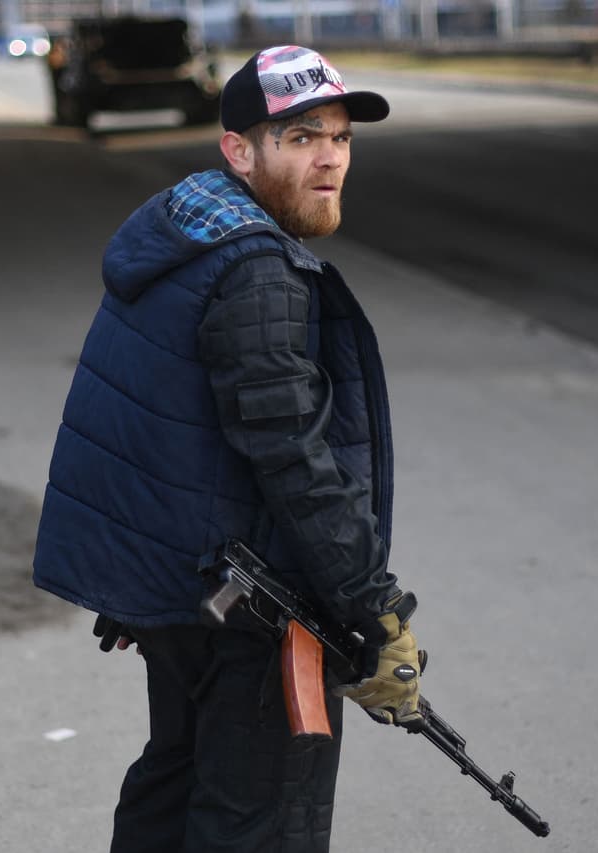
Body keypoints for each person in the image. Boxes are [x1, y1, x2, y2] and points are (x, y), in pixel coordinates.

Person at [32, 45, 425, 853]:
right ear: (240, 151)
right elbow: (294, 457)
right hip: (245, 607)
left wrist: (139, 587)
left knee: (175, 784)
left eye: (342, 138)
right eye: (302, 136)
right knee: (257, 819)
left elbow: (153, 427)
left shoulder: (189, 240)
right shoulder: (256, 274)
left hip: (185, 593)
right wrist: (374, 608)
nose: (329, 159)